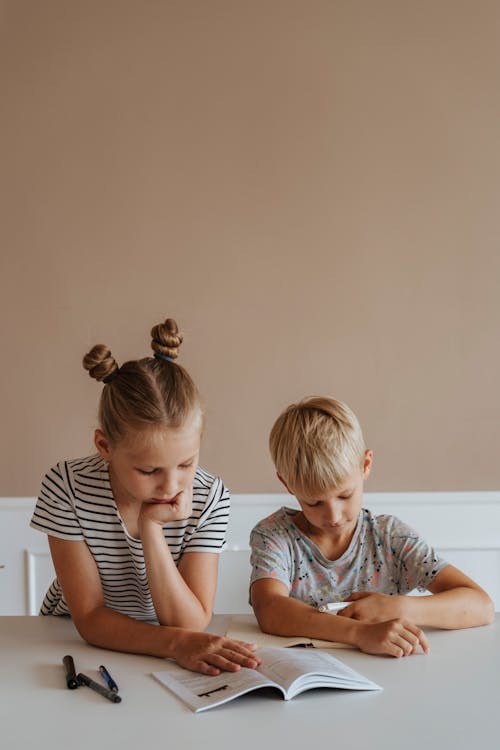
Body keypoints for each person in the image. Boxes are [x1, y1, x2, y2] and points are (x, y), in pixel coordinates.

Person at [31, 317, 260, 676]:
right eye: (150, 471)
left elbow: (189, 621)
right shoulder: (67, 487)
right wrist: (175, 644)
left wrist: (151, 529)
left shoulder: (209, 496)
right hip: (71, 641)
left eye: (186, 463)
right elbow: (90, 618)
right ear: (105, 446)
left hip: (170, 641)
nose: (171, 487)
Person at [250, 396, 494, 658]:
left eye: (345, 496)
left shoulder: (390, 537)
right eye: (314, 502)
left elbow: (481, 606)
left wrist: (396, 608)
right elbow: (270, 609)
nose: (333, 516)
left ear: (365, 465)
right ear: (287, 484)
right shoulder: (275, 536)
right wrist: (359, 633)